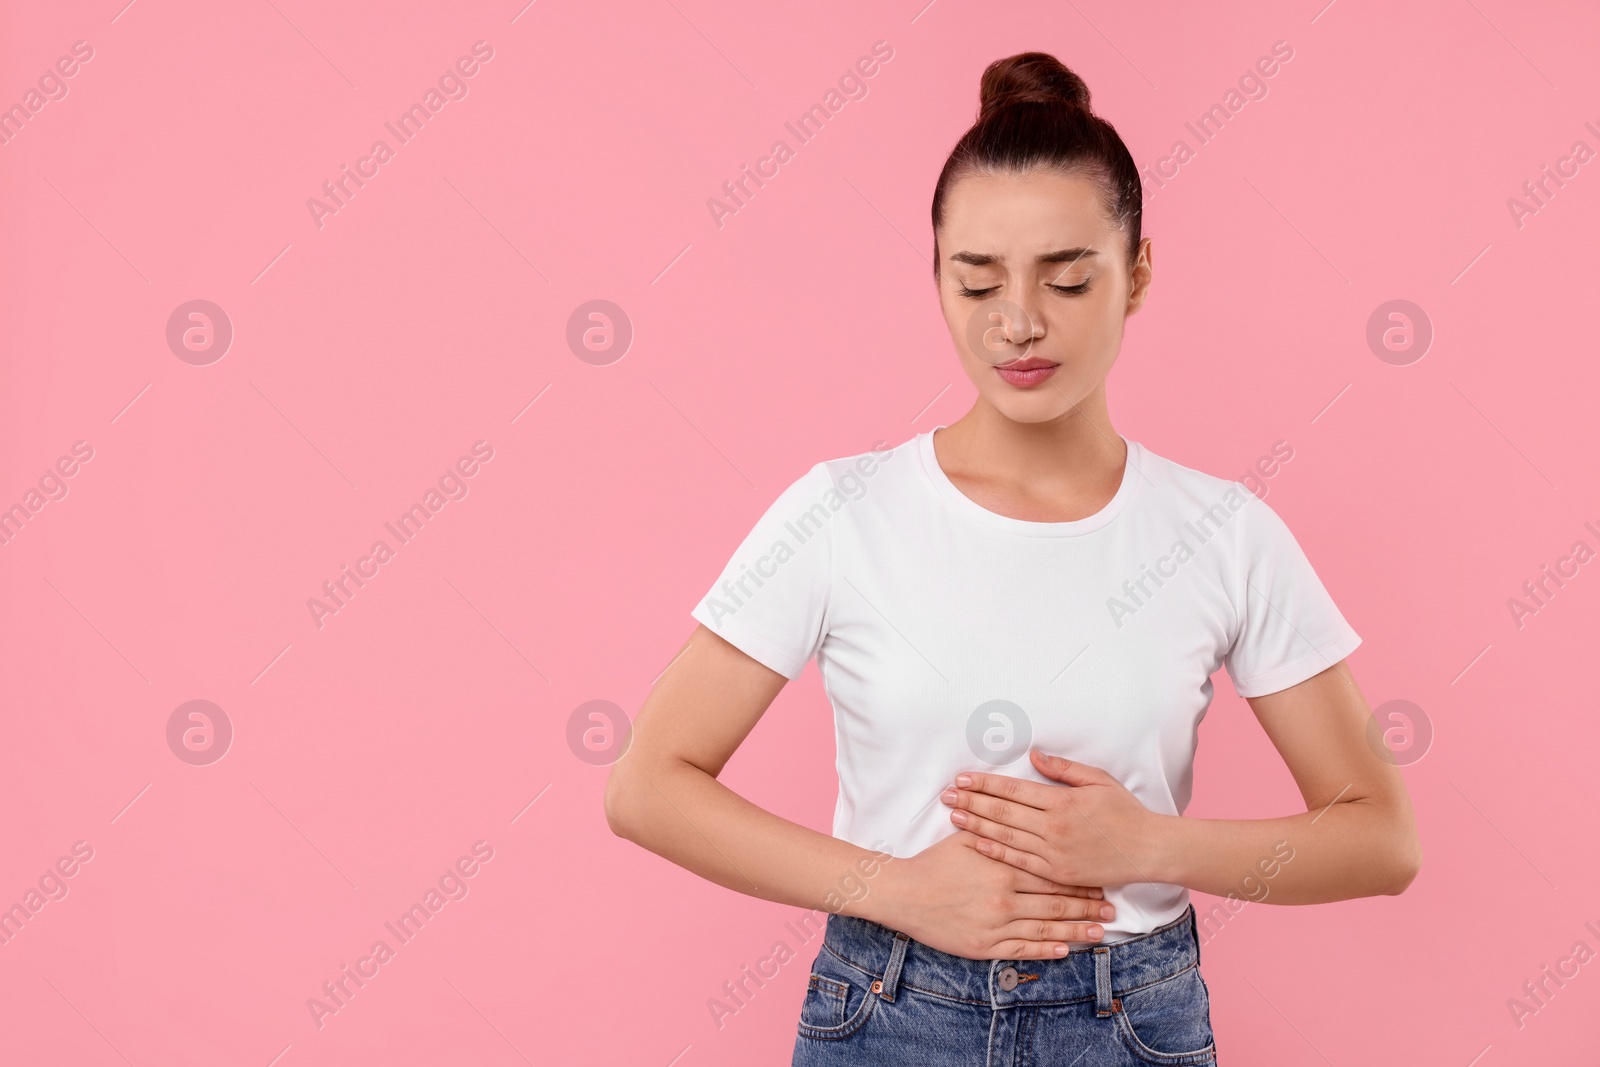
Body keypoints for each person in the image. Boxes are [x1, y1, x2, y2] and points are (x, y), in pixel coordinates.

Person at [605, 50, 1421, 1066]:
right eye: (976, 280)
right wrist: (893, 886)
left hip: (1131, 1020)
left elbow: (1381, 837)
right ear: (936, 275)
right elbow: (646, 784)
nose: (1019, 321)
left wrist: (1151, 845)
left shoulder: (1222, 532)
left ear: (1138, 275)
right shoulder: (841, 513)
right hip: (888, 1008)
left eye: (1067, 277)